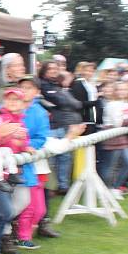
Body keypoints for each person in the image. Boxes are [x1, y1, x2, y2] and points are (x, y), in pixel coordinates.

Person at [14, 75, 50, 248]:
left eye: (29, 87)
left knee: (38, 208)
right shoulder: (9, 106)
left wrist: (28, 146)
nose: (25, 91)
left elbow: (41, 137)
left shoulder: (39, 112)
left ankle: (21, 234)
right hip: (11, 161)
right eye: (22, 87)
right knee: (24, 204)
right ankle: (22, 236)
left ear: (37, 92)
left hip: (30, 163)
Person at [39, 60, 81, 196]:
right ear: (44, 70)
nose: (53, 70)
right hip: (50, 126)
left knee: (65, 156)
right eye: (50, 68)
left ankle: (63, 186)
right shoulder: (42, 84)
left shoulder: (58, 85)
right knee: (50, 158)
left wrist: (63, 98)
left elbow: (77, 104)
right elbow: (62, 101)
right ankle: (50, 187)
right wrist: (63, 99)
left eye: (55, 68)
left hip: (62, 124)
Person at [71, 62, 99, 134]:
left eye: (91, 71)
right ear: (82, 71)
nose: (89, 73)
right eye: (87, 71)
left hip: (94, 116)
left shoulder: (93, 84)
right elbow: (78, 102)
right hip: (84, 117)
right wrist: (94, 103)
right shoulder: (78, 83)